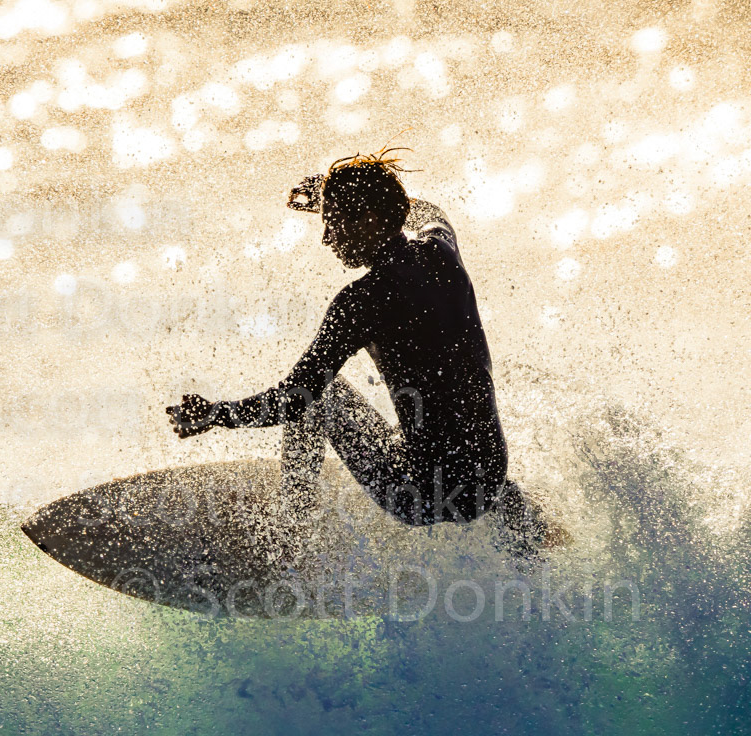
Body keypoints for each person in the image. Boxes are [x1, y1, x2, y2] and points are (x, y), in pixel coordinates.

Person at [165, 147, 560, 563]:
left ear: (367, 220)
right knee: (457, 430)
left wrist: (216, 415)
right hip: (490, 477)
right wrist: (331, 198)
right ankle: (528, 529)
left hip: (424, 496)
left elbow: (295, 398)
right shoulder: (443, 250)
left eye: (332, 222)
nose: (326, 237)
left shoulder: (361, 302)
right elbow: (428, 209)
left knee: (323, 399)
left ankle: (291, 538)